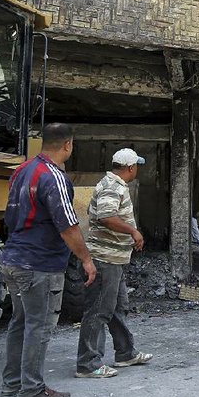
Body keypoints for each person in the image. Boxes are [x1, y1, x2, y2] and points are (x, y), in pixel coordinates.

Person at [0, 123, 96, 397]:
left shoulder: (21, 171)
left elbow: (10, 214)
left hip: (13, 260)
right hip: (38, 264)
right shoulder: (54, 176)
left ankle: (12, 384)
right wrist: (86, 259)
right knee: (38, 326)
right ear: (67, 145)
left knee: (20, 323)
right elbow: (68, 225)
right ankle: (31, 389)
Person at [76, 148, 153, 379]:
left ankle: (125, 353)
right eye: (137, 166)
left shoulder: (116, 184)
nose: (137, 169)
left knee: (117, 307)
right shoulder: (112, 186)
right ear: (131, 167)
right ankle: (88, 364)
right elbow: (106, 216)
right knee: (99, 310)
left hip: (115, 259)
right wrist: (133, 232)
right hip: (105, 259)